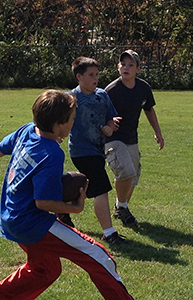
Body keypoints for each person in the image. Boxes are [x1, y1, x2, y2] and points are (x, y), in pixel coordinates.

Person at [0, 90, 134, 300]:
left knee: (46, 270)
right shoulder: (51, 153)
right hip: (31, 222)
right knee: (97, 255)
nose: (73, 122)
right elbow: (43, 202)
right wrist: (74, 208)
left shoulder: (27, 131)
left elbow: (1, 147)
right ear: (60, 123)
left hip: (11, 217)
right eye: (72, 119)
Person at [62, 56, 126, 244]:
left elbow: (111, 118)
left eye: (96, 74)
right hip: (81, 150)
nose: (95, 78)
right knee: (101, 188)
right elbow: (60, 121)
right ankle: (109, 233)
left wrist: (109, 126)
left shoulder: (102, 95)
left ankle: (62, 210)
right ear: (79, 77)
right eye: (91, 75)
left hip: (98, 150)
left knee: (84, 185)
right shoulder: (70, 98)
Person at [104, 50, 164, 227]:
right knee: (125, 171)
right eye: (123, 64)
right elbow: (101, 112)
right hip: (113, 138)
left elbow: (149, 110)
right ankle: (123, 208)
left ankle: (120, 207)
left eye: (131, 65)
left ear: (138, 68)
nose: (126, 68)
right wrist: (109, 121)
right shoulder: (111, 90)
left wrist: (158, 132)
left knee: (133, 177)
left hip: (131, 138)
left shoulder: (143, 88)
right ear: (118, 67)